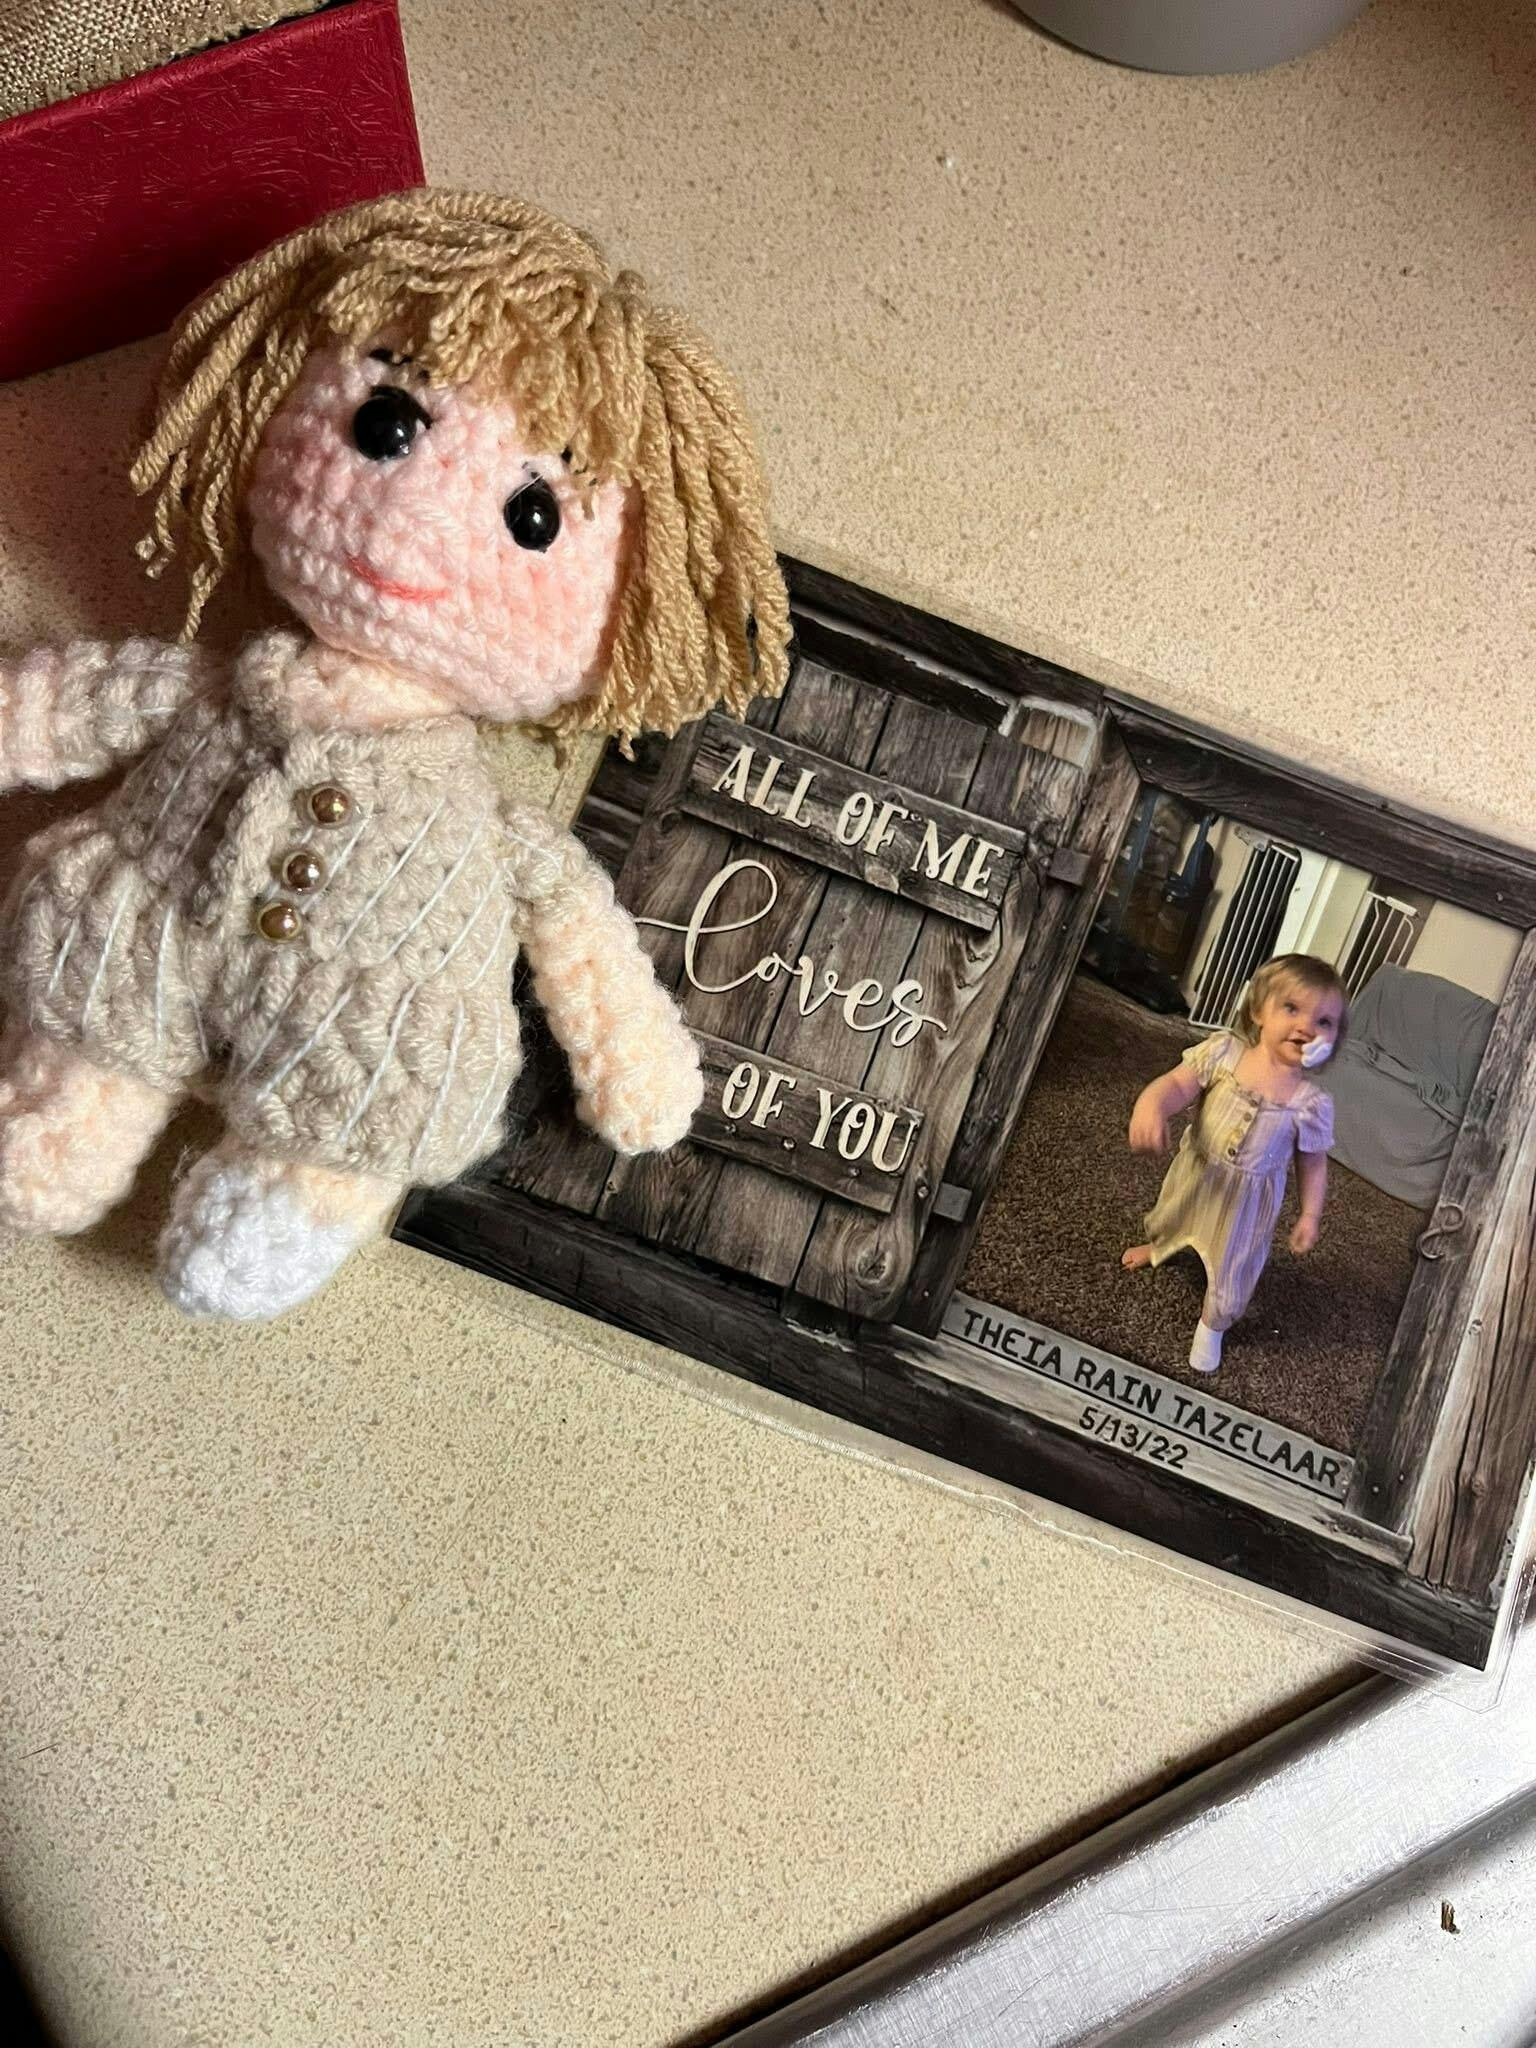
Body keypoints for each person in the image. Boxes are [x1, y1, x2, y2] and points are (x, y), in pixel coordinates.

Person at [1122, 953, 1346, 1374]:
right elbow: (1177, 1084)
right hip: (1198, 1173)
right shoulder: (1224, 1051)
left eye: (1324, 1021)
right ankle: (1161, 1246)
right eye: (1292, 1008)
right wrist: (1151, 1106)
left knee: (1235, 1267)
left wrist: (1310, 1215)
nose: (1306, 1027)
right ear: (1259, 1010)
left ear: (1334, 1038)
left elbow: (1313, 1165)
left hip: (1248, 1203)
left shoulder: (1312, 1103)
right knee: (1172, 1215)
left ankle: (1213, 1325)